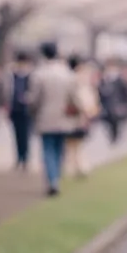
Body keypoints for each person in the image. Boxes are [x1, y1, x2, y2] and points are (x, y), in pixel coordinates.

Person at [28, 42, 76, 196]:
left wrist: (32, 111)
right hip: (63, 116)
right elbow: (73, 97)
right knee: (59, 149)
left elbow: (34, 99)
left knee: (48, 149)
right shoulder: (67, 73)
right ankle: (56, 177)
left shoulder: (39, 74)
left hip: (45, 117)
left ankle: (52, 180)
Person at [64, 55, 100, 178]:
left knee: (74, 144)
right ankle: (79, 166)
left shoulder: (72, 79)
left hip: (75, 115)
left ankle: (75, 167)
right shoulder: (78, 80)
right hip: (78, 114)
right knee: (76, 143)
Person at [7, 53, 33, 170]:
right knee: (17, 135)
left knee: (26, 135)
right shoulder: (13, 76)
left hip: (26, 110)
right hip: (15, 109)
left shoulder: (31, 77)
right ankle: (19, 157)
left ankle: (25, 158)